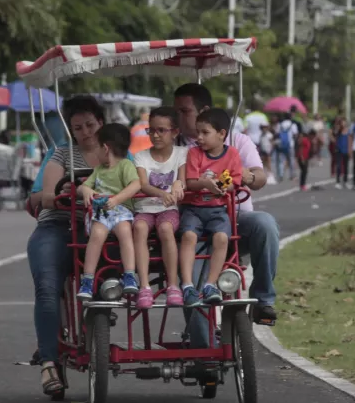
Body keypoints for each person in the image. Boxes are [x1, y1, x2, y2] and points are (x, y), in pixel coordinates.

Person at [172, 84, 278, 327]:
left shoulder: (236, 143)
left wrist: (239, 177)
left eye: (184, 111)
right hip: (194, 218)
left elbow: (258, 177)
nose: (178, 117)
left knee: (266, 224)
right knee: (194, 279)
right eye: (176, 111)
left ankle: (263, 300)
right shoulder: (180, 148)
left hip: (233, 215)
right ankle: (202, 345)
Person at [27, 96, 107, 397]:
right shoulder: (60, 155)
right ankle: (48, 361)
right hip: (58, 225)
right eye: (78, 127)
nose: (86, 132)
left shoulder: (116, 155)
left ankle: (99, 326)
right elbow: (46, 195)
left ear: (101, 122)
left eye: (90, 124)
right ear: (70, 130)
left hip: (101, 228)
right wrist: (62, 193)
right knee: (48, 286)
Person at [176, 107, 242, 306]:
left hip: (217, 209)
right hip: (193, 209)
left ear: (222, 134)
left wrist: (221, 187)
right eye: (198, 132)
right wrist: (205, 184)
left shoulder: (232, 154)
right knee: (188, 236)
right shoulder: (194, 153)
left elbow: (235, 181)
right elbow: (191, 181)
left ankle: (210, 284)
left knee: (222, 238)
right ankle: (187, 285)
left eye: (205, 133)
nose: (200, 137)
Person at [76, 124, 142, 302]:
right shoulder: (98, 170)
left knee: (125, 233)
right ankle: (88, 279)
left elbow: (136, 185)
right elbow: (82, 187)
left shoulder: (125, 165)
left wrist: (117, 199)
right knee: (96, 235)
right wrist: (86, 191)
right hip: (103, 213)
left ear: (105, 148)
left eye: (96, 147)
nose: (94, 152)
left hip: (121, 210)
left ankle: (129, 274)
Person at [132, 107, 187, 309]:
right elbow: (143, 184)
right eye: (152, 130)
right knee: (138, 228)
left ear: (174, 132)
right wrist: (162, 193)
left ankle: (173, 285)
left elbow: (182, 180)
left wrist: (178, 185)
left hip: (168, 209)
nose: (155, 135)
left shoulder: (182, 154)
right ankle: (144, 286)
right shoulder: (141, 156)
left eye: (161, 130)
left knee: (165, 229)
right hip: (145, 207)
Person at [273, 114, 298, 180]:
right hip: (290, 144)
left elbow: (276, 134)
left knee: (281, 160)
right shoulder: (293, 125)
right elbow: (295, 134)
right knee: (291, 160)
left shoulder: (280, 124)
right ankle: (292, 175)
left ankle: (281, 175)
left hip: (281, 144)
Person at [333, 117, 351, 188]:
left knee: (346, 167)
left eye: (344, 122)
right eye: (342, 122)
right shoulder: (338, 130)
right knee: (339, 166)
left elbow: (350, 140)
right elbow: (334, 133)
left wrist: (350, 150)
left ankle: (345, 181)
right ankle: (337, 182)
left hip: (346, 150)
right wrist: (338, 126)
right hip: (339, 150)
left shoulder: (348, 131)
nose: (343, 123)